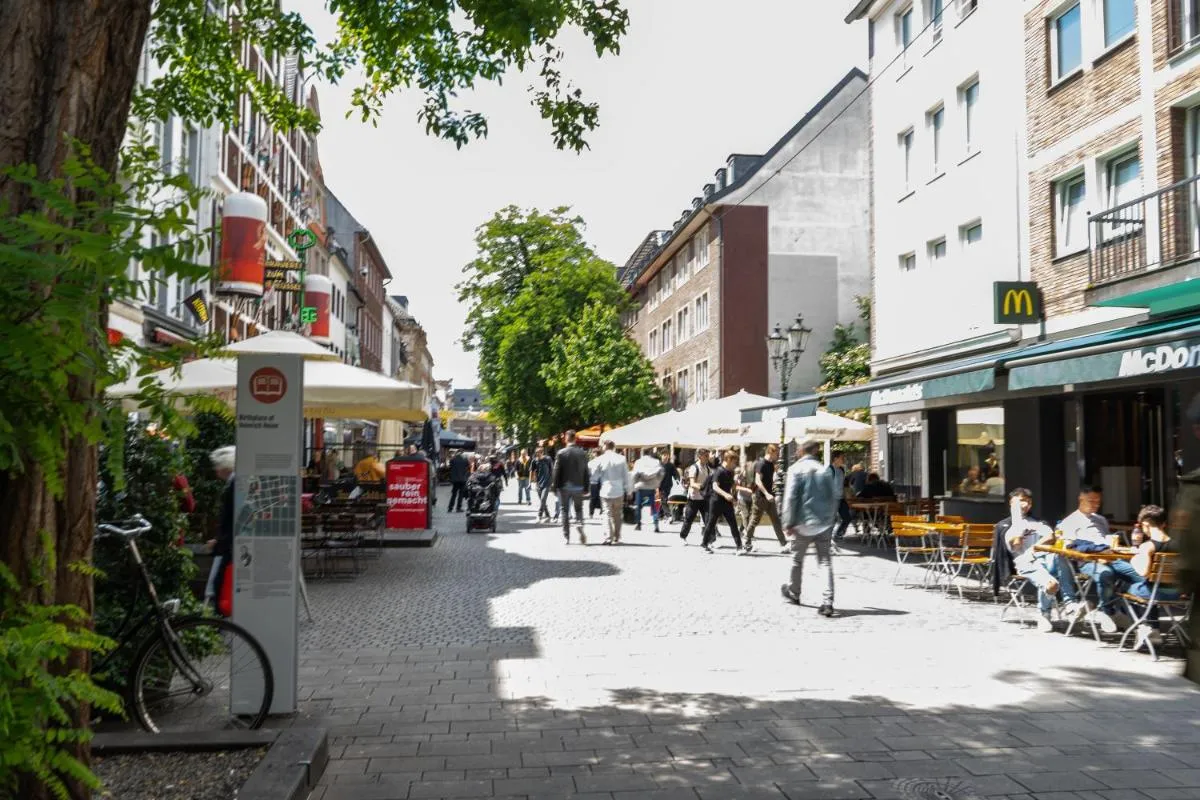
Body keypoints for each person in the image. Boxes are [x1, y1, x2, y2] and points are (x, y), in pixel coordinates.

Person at [780, 440, 839, 617]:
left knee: (797, 560)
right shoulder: (824, 470)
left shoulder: (795, 469)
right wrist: (830, 520)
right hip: (823, 523)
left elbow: (790, 497)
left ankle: (794, 592)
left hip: (802, 523)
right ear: (815, 451)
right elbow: (833, 497)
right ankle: (827, 602)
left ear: (800, 451)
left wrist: (788, 522)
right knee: (825, 562)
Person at [1056, 485, 1125, 633]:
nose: (1095, 505)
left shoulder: (1101, 520)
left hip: (1110, 557)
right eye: (1091, 501)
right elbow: (1070, 548)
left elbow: (1106, 540)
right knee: (1106, 574)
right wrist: (1097, 557)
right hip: (1088, 562)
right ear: (1081, 499)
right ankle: (1106, 611)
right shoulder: (1070, 522)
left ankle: (1123, 612)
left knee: (1133, 573)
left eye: (1098, 502)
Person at [1115, 505, 1180, 650]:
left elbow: (1143, 572)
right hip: (1177, 594)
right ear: (1164, 524)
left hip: (1155, 593)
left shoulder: (1148, 546)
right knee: (1144, 588)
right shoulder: (1179, 545)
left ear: (1145, 525)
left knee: (1126, 588)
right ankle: (1153, 628)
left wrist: (1134, 559)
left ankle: (1144, 627)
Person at [997, 487, 1060, 631]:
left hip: (1044, 560)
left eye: (1028, 502)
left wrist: (1034, 548)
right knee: (1051, 584)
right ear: (1011, 503)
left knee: (1058, 560)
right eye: (1020, 501)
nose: (1025, 504)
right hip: (1024, 563)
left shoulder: (1037, 522)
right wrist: (1017, 517)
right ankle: (1047, 612)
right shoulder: (1006, 526)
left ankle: (1064, 607)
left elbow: (1051, 536)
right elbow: (1016, 543)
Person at [205, 446, 236, 613]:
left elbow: (231, 519)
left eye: (217, 466)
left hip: (229, 545)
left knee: (220, 583)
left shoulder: (234, 484)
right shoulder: (233, 482)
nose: (216, 470)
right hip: (228, 543)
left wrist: (219, 543)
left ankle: (219, 618)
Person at [744, 443, 788, 553]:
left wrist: (772, 490)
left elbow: (769, 480)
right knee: (755, 520)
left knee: (776, 520)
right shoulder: (761, 464)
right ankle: (746, 542)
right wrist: (767, 494)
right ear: (770, 452)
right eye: (777, 453)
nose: (778, 456)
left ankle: (783, 544)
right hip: (760, 497)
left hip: (769, 497)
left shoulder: (771, 464)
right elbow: (758, 481)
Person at [700, 449, 744, 555]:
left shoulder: (730, 472)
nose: (735, 465)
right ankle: (704, 544)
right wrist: (726, 495)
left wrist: (737, 488)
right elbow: (715, 486)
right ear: (728, 460)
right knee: (711, 523)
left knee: (733, 524)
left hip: (726, 502)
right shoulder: (719, 471)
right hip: (716, 501)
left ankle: (739, 547)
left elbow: (731, 486)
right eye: (734, 462)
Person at [551, 429, 590, 544]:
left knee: (564, 510)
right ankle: (579, 523)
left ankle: (566, 536)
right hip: (579, 486)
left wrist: (554, 486)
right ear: (575, 439)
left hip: (564, 487)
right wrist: (586, 487)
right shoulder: (582, 453)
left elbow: (556, 471)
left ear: (566, 439)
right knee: (579, 509)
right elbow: (586, 471)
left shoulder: (561, 453)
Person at [592, 440, 632, 545]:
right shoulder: (621, 459)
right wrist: (629, 490)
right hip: (619, 490)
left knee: (607, 514)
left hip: (606, 490)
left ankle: (608, 537)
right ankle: (617, 537)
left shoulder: (601, 459)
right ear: (613, 447)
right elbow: (626, 476)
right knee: (618, 515)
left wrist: (593, 482)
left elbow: (594, 474)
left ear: (605, 447)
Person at [678, 449, 711, 544]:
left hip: (704, 498)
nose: (708, 458)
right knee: (689, 519)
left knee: (708, 520)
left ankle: (711, 540)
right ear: (700, 456)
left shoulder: (707, 468)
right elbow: (692, 483)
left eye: (708, 456)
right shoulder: (694, 467)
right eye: (706, 456)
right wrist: (703, 487)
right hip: (693, 498)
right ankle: (683, 537)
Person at [631, 448, 664, 533]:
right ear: (650, 453)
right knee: (653, 506)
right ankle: (656, 524)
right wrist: (657, 482)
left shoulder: (638, 462)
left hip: (641, 486)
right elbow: (661, 473)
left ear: (642, 453)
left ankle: (638, 524)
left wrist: (633, 485)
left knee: (638, 506)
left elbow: (634, 475)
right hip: (652, 487)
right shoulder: (656, 462)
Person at [831, 451, 853, 540]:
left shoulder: (841, 470)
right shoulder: (830, 470)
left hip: (841, 498)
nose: (843, 459)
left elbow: (843, 484)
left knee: (847, 518)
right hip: (832, 499)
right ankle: (827, 537)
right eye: (842, 458)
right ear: (835, 459)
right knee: (832, 520)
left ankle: (838, 534)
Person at [532, 447, 554, 522]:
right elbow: (532, 471)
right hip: (538, 484)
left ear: (542, 453)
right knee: (543, 501)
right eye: (536, 453)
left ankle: (539, 515)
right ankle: (548, 515)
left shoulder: (548, 459)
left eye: (539, 453)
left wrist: (552, 481)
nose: (537, 454)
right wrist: (533, 481)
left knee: (543, 499)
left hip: (547, 483)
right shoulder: (534, 461)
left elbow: (551, 470)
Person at [659, 452, 680, 524]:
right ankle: (661, 515)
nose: (665, 456)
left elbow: (676, 473)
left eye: (667, 455)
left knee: (663, 500)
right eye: (664, 455)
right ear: (661, 456)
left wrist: (677, 479)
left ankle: (669, 516)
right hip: (658, 485)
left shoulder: (671, 465)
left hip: (667, 485)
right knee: (662, 500)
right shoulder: (658, 465)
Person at [588, 447, 604, 519]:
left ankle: (591, 513)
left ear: (594, 454)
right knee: (602, 497)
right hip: (602, 482)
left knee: (592, 498)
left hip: (593, 482)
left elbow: (589, 473)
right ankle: (602, 512)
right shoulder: (604, 462)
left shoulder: (591, 463)